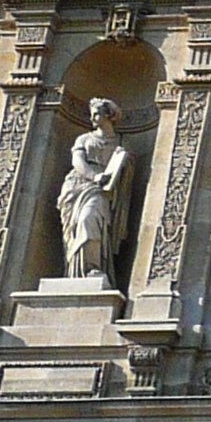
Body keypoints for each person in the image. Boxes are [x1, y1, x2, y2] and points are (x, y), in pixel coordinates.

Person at [58, 96, 132, 283]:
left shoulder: (119, 143)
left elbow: (125, 174)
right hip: (77, 185)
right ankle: (76, 272)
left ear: (108, 115)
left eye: (97, 114)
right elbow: (78, 162)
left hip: (102, 190)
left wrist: (124, 163)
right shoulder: (84, 138)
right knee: (74, 227)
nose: (92, 119)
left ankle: (92, 267)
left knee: (89, 219)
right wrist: (94, 176)